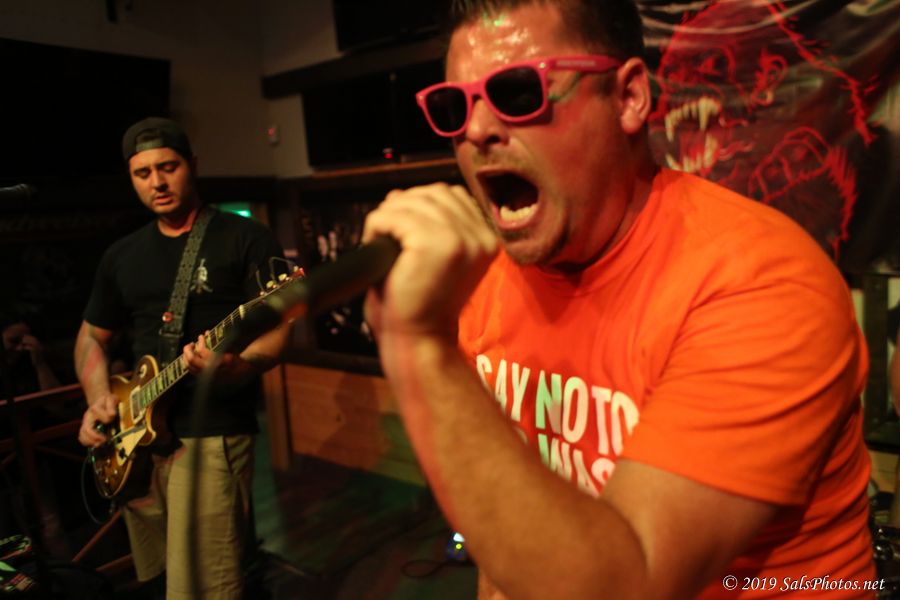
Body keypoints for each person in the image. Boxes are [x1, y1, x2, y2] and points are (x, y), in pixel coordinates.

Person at [361, 1, 875, 598]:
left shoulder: (763, 284)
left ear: (629, 96)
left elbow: (629, 584)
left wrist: (420, 347)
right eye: (456, 107)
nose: (476, 131)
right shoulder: (486, 276)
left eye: (519, 92)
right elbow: (509, 537)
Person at [74, 117, 291, 599]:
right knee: (159, 579)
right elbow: (91, 336)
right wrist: (97, 398)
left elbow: (277, 329)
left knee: (205, 585)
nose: (157, 182)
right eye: (143, 173)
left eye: (168, 167)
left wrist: (241, 366)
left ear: (192, 165)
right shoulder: (122, 254)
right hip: (135, 440)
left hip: (211, 431)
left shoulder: (245, 238)